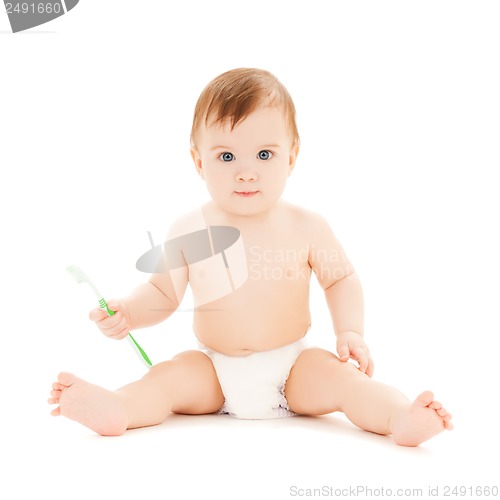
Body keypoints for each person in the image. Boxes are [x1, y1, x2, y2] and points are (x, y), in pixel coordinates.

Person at [48, 68, 453, 446]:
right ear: (198, 161)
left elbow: (340, 279)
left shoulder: (306, 225)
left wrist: (351, 332)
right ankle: (119, 408)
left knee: (346, 382)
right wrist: (129, 313)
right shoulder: (190, 229)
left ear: (291, 157)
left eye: (264, 155)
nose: (246, 172)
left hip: (293, 367)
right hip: (215, 370)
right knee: (167, 378)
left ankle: (398, 417)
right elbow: (162, 292)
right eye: (226, 157)